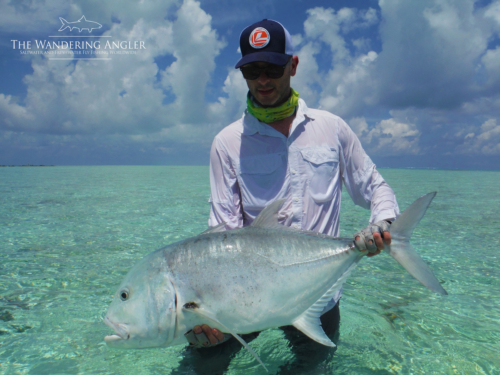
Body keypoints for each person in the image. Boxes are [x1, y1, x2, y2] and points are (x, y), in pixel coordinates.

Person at [180, 19, 400, 373]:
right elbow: (223, 234)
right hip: (247, 298)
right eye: (252, 70)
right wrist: (204, 312)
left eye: (273, 68)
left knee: (312, 368)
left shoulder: (332, 129)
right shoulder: (227, 142)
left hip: (317, 295)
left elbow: (375, 187)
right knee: (200, 366)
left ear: (293, 65)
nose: (263, 80)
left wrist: (382, 223)